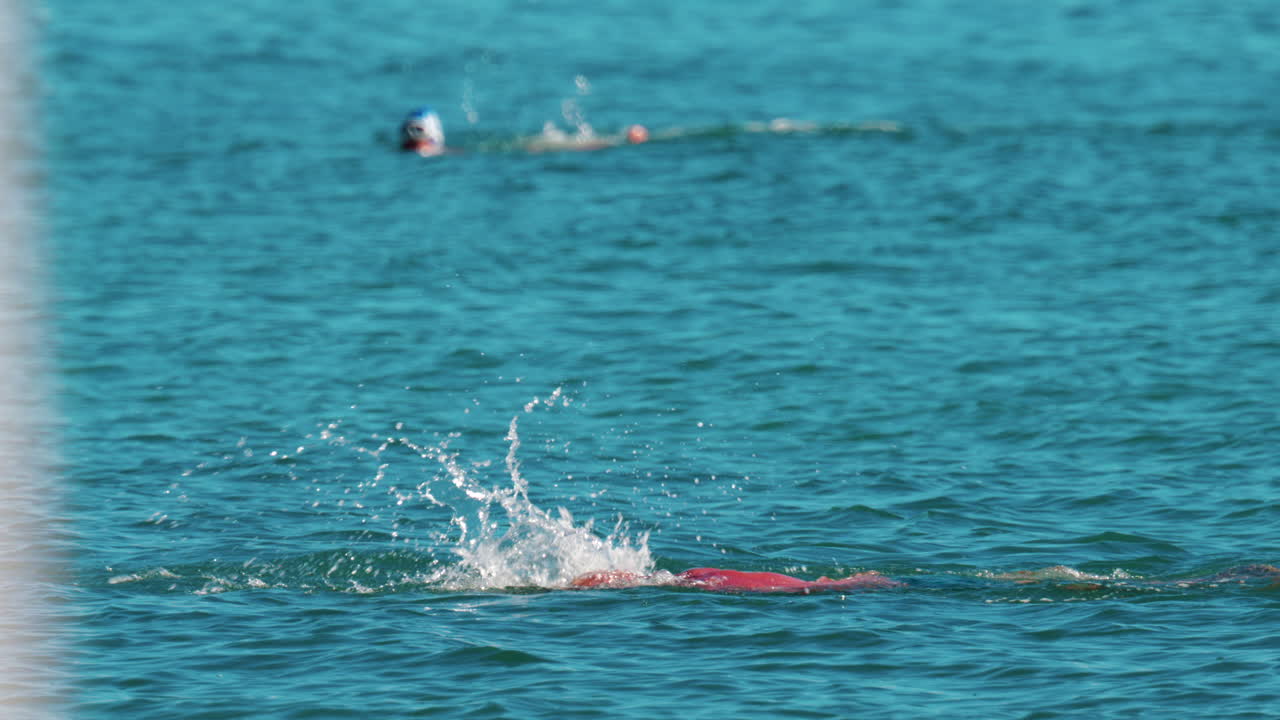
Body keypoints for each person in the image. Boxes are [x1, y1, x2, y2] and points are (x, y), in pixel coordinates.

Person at [570, 567, 903, 593]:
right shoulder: (811, 588)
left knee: (653, 579)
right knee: (658, 582)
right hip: (715, 581)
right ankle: (582, 582)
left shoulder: (811, 584)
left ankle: (585, 580)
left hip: (714, 575)